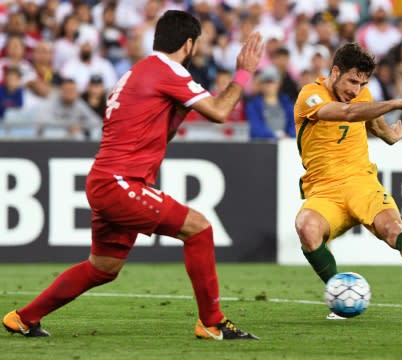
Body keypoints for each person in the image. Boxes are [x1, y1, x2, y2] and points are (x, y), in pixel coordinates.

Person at [2, 10, 263, 340]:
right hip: (121, 182)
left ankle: (23, 317)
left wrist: (178, 114)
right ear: (189, 44)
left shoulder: (136, 73)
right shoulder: (169, 72)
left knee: (103, 268)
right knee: (199, 229)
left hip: (105, 180)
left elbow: (156, 134)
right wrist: (243, 74)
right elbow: (221, 112)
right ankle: (211, 321)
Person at [293, 43, 402, 320]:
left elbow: (376, 124)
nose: (356, 91)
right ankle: (339, 295)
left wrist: (392, 136)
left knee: (393, 228)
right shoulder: (310, 96)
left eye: (362, 83)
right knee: (306, 227)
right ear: (335, 72)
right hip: (325, 190)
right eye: (351, 81)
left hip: (362, 183)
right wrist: (397, 103)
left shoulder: (363, 96)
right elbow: (347, 113)